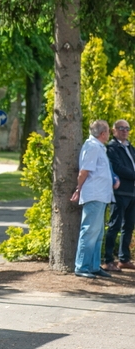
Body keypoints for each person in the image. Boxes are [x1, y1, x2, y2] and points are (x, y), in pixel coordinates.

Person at [72, 120, 116, 279]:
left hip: (102, 195)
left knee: (97, 233)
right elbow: (83, 171)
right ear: (103, 133)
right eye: (108, 132)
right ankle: (82, 266)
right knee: (89, 230)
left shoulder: (98, 147)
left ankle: (93, 265)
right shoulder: (91, 147)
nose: (109, 134)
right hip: (94, 194)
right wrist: (78, 189)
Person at [102, 119, 135, 271]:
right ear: (114, 130)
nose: (125, 131)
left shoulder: (130, 147)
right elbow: (118, 168)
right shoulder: (112, 148)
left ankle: (124, 259)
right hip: (119, 192)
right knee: (114, 226)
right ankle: (108, 261)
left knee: (128, 226)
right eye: (121, 128)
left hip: (132, 193)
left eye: (127, 128)